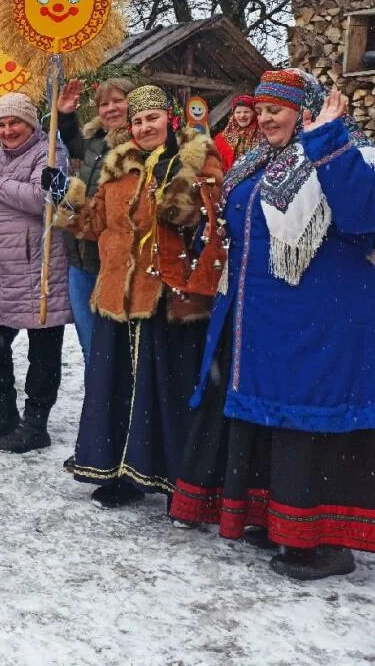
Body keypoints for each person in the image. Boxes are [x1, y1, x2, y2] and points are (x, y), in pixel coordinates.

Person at [170, 69, 375, 581]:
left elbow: (370, 211)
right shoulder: (261, 161)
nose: (265, 118)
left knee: (312, 421)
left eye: (276, 108)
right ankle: (273, 517)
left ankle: (324, 540)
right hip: (264, 322)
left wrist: (327, 140)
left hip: (326, 324)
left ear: (308, 109)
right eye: (259, 109)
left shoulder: (354, 154)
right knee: (272, 422)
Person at [57, 85, 225, 507]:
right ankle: (122, 474)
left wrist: (174, 193)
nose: (145, 127)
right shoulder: (117, 166)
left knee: (168, 390)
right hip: (117, 291)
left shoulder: (197, 158)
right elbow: (93, 225)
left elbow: (206, 215)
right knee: (119, 388)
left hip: (171, 295)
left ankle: (178, 481)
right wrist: (66, 197)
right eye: (137, 120)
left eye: (152, 118)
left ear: (169, 117)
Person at [0, 92, 72, 453]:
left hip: (38, 266)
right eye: (1, 124)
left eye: (15, 123)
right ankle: (3, 411)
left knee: (42, 351)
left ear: (31, 124)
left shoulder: (50, 152)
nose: (8, 130)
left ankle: (36, 422)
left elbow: (47, 198)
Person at [56, 77, 133, 359]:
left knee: (116, 352)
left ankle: (119, 402)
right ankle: (98, 402)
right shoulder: (97, 142)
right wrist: (65, 113)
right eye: (104, 104)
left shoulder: (141, 145)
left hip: (113, 263)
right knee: (91, 348)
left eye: (118, 101)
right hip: (81, 260)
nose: (111, 109)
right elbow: (73, 141)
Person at [213, 94, 259, 171]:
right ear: (233, 114)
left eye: (246, 112)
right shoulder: (221, 139)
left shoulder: (264, 135)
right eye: (238, 112)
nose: (242, 116)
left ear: (254, 113)